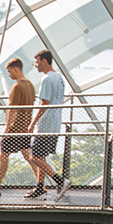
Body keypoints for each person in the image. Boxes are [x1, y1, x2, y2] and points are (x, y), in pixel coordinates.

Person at [0, 59, 37, 197]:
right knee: (29, 156)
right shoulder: (30, 86)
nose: (9, 75)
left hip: (15, 129)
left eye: (9, 72)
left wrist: (7, 129)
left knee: (3, 157)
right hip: (25, 128)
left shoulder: (17, 87)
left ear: (16, 69)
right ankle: (40, 184)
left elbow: (12, 110)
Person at [30, 50, 68, 200]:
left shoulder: (46, 79)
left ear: (44, 61)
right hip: (55, 122)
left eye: (37, 62)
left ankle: (60, 181)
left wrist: (33, 123)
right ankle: (40, 187)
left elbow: (44, 103)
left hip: (45, 124)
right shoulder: (59, 78)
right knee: (42, 155)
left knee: (34, 156)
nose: (35, 65)